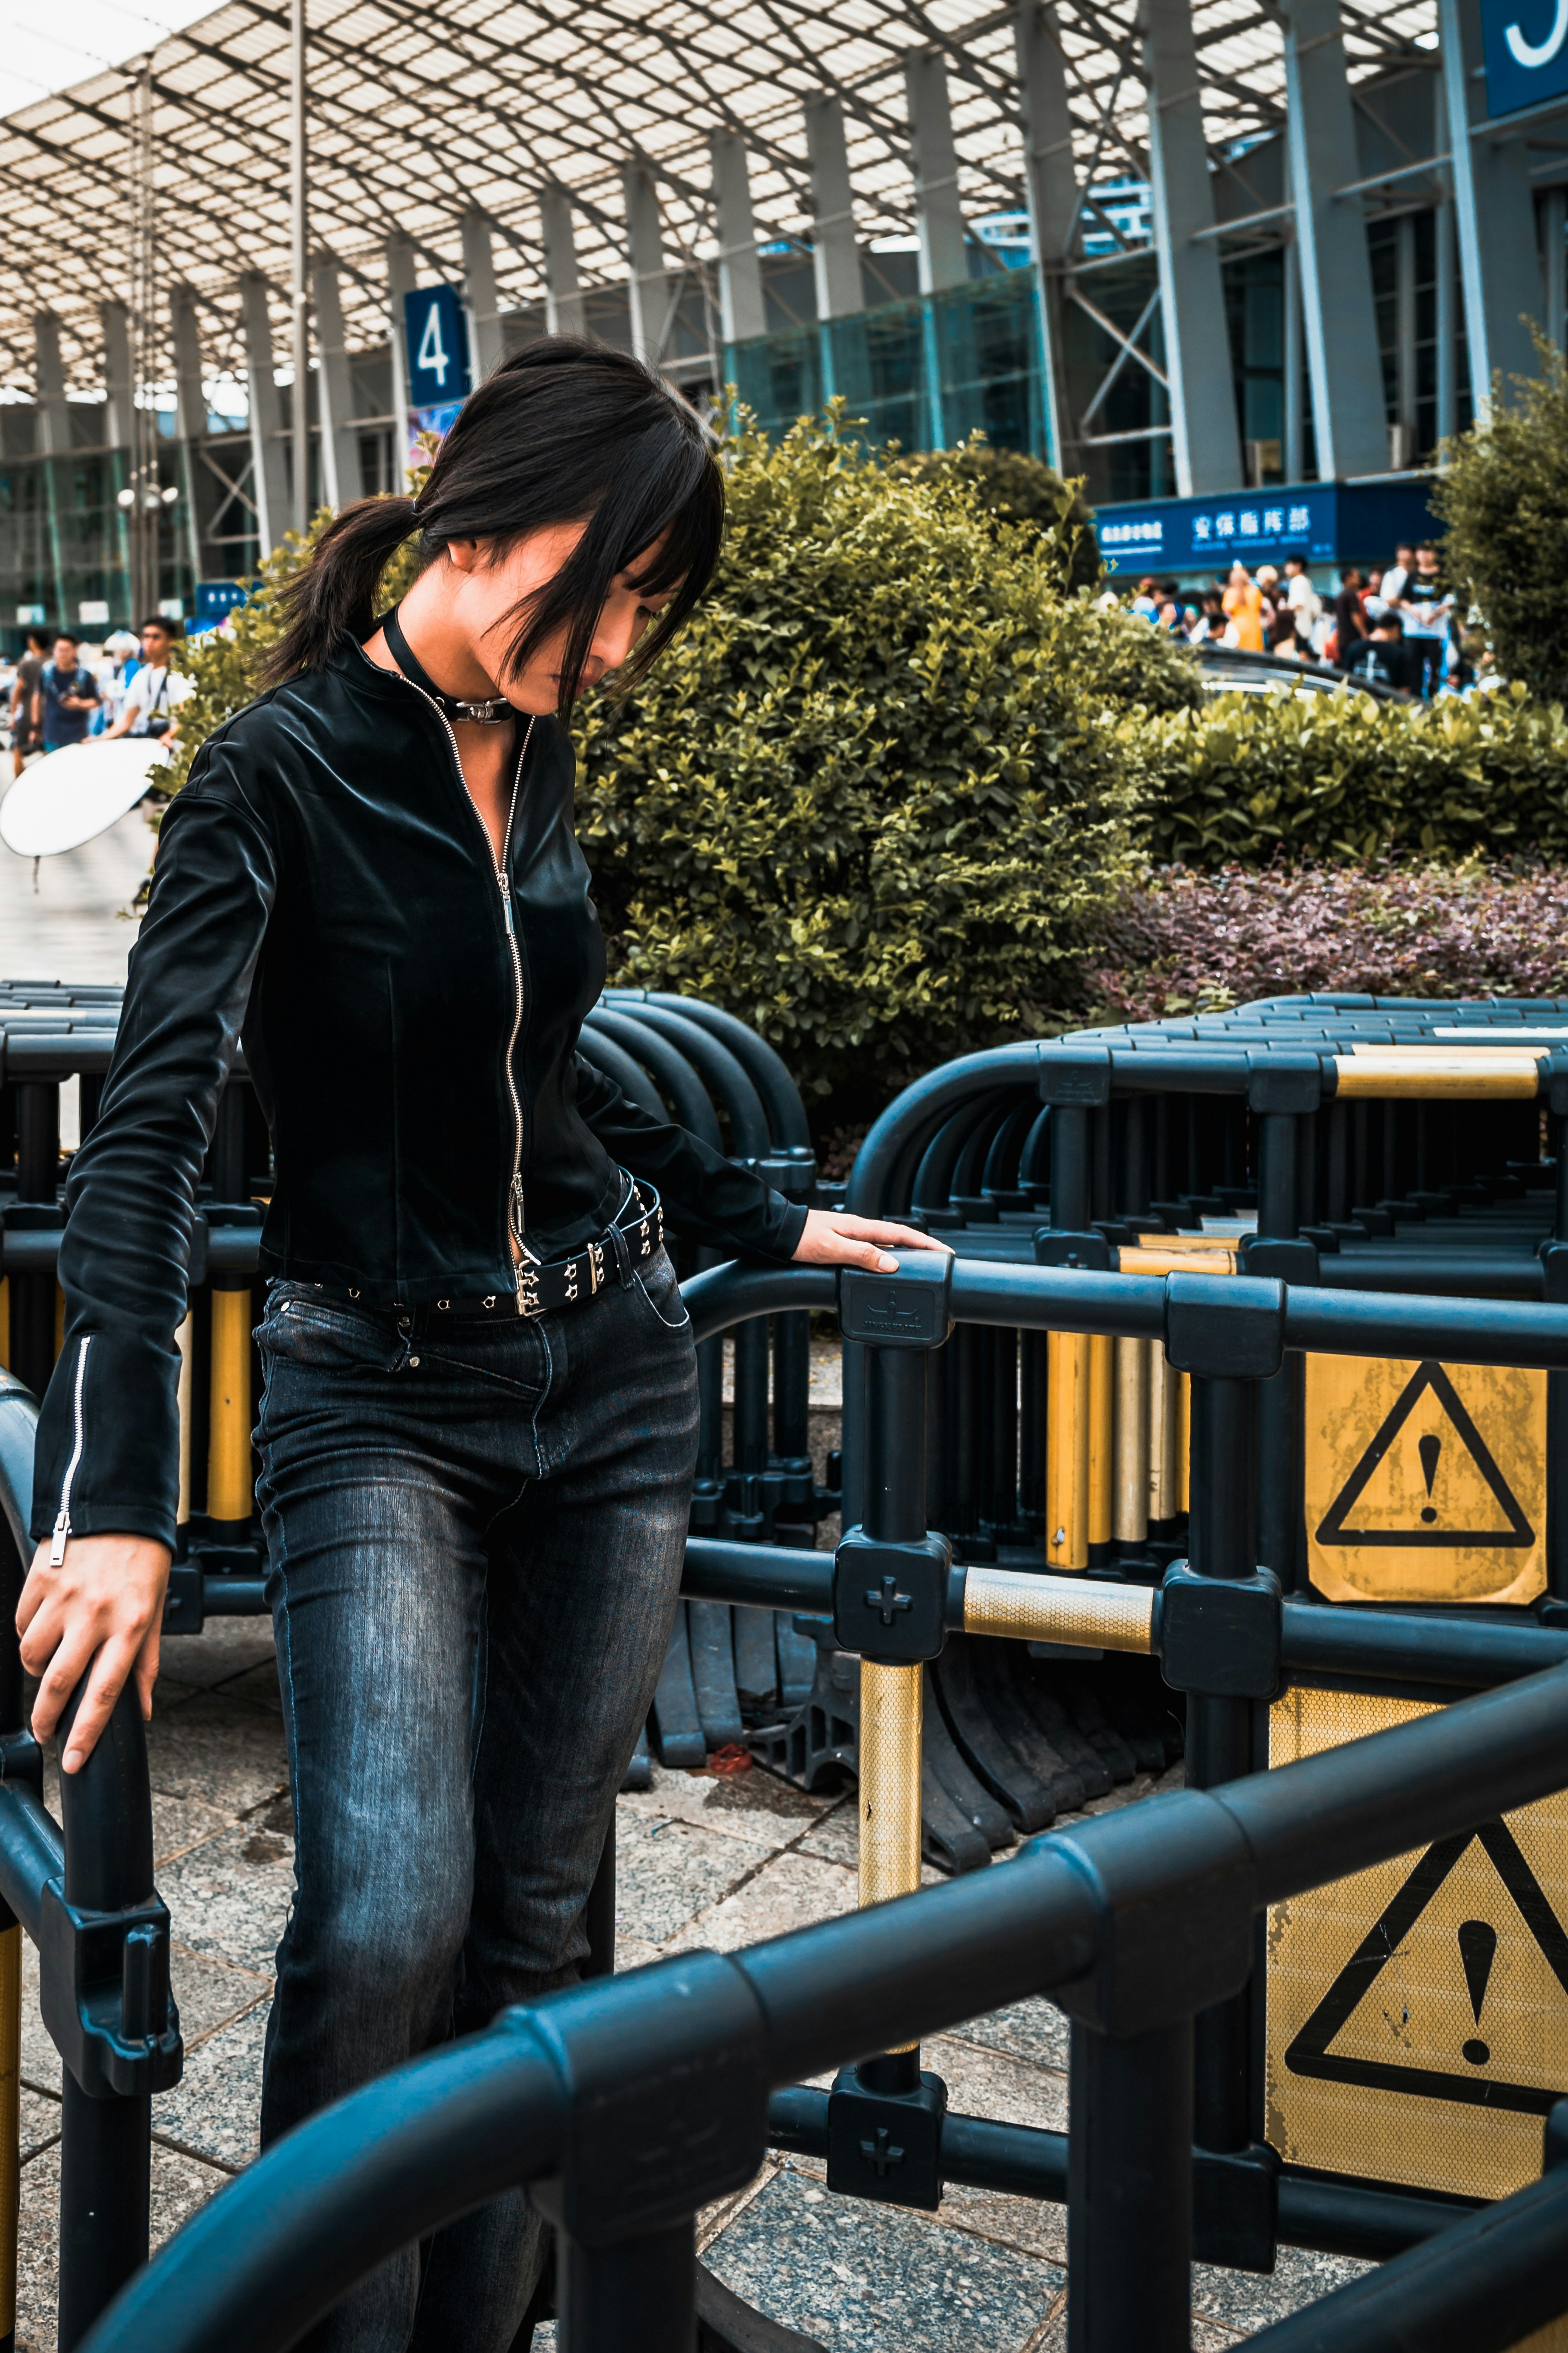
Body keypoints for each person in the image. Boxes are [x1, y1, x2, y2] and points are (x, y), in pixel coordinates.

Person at [14, 337, 943, 2352]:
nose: (619, 649)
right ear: (490, 517)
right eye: (607, 593)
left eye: (651, 614)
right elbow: (153, 1139)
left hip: (609, 1383)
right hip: (378, 1401)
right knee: (384, 1911)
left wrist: (744, 1216)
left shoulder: (533, 740)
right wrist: (117, 1501)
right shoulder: (274, 774)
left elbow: (542, 1074)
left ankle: (508, 2319)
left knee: (543, 1914)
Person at [100, 615, 192, 754]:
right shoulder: (142, 676)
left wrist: (169, 736)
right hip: (153, 747)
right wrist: (99, 739)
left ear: (171, 641)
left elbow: (186, 716)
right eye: (146, 637)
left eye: (156, 637)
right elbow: (127, 721)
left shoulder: (180, 674)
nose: (149, 642)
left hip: (177, 749)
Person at [36, 631, 99, 751]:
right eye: (60, 649)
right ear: (54, 650)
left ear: (75, 651)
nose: (63, 653)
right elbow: (37, 696)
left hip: (78, 735)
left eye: (67, 650)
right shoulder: (46, 672)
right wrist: (35, 726)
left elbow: (96, 701)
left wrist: (80, 704)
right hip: (52, 734)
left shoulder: (84, 675)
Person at [1339, 610, 1424, 696]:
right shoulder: (1400, 654)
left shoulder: (1353, 648)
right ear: (1396, 629)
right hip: (1385, 707)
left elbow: (1344, 683)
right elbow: (1404, 692)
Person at [8, 627, 48, 776]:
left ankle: (18, 781)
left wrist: (13, 714)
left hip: (28, 712)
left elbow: (18, 690)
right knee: (47, 748)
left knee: (18, 748)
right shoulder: (52, 662)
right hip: (49, 712)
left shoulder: (27, 664)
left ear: (32, 642)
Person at [1221, 562, 1265, 651]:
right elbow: (1261, 609)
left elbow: (1227, 614)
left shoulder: (1230, 593)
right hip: (1254, 627)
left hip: (1236, 629)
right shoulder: (1255, 591)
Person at [1331, 567, 1369, 667]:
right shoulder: (1351, 595)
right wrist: (1365, 635)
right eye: (1356, 577)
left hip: (1343, 640)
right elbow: (1355, 615)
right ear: (1348, 578)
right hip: (1352, 640)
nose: (1359, 580)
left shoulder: (1340, 595)